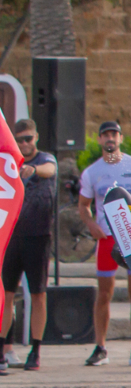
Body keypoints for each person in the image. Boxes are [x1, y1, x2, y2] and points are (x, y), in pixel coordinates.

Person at [77, 121, 131, 367]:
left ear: (120, 138)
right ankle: (100, 347)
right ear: (99, 140)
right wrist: (91, 225)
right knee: (104, 293)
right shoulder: (92, 172)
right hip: (107, 237)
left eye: (114, 134)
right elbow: (83, 205)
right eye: (105, 135)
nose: (110, 139)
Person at [0, 119, 57, 373]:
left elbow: (49, 170)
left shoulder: (45, 159)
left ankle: (35, 348)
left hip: (39, 236)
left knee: (38, 294)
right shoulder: (9, 161)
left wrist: (33, 170)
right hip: (11, 236)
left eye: (28, 139)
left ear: (36, 139)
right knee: (6, 295)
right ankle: (3, 347)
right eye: (20, 139)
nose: (24, 144)